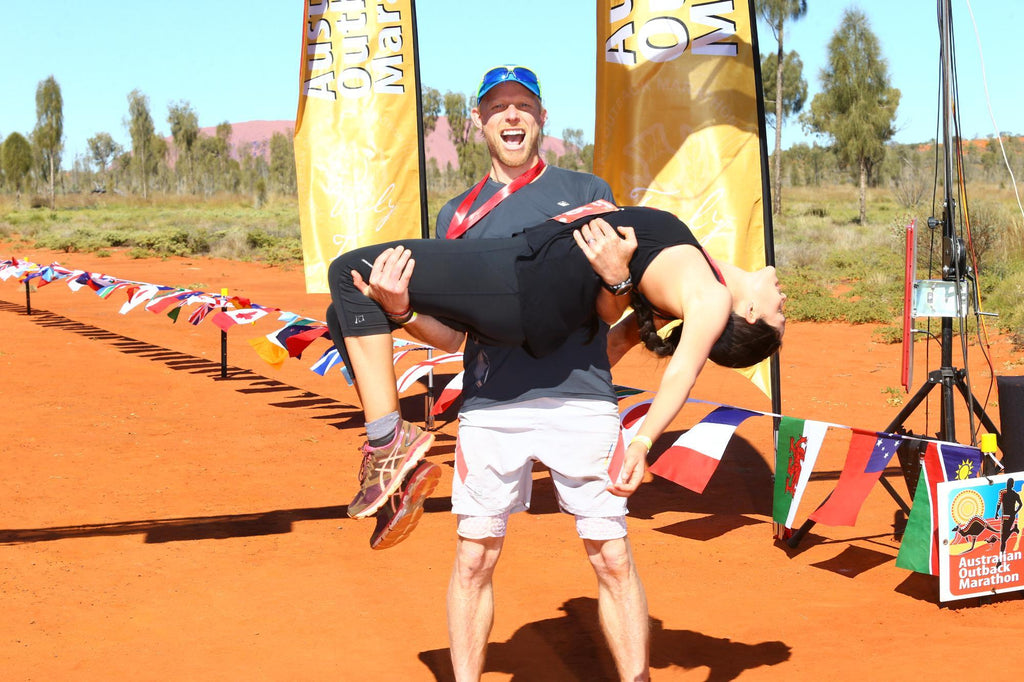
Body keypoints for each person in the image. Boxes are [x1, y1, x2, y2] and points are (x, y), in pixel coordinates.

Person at [332, 64, 655, 681]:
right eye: (499, 107)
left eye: (524, 106)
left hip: (580, 398)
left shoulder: (587, 189)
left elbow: (606, 309)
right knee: (474, 559)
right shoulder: (455, 217)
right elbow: (455, 336)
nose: (512, 116)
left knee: (612, 556)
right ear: (478, 121)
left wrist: (618, 280)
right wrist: (401, 311)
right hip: (491, 406)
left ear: (542, 119)